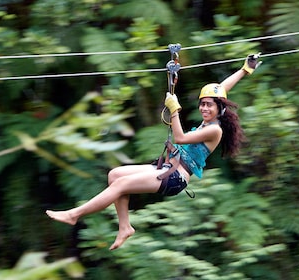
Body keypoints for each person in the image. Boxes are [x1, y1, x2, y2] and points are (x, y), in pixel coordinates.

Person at [45, 54, 261, 250]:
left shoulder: (215, 130)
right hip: (168, 167)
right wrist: (245, 70)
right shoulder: (210, 120)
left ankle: (75, 214)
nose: (204, 108)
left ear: (219, 108)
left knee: (121, 185)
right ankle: (125, 227)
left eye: (209, 106)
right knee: (115, 175)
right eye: (202, 104)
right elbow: (222, 88)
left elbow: (181, 138)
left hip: (177, 177)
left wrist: (174, 109)